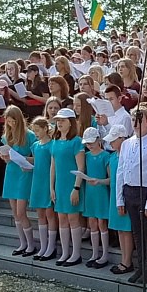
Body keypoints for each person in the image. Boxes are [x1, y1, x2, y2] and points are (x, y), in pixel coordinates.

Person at [117, 106, 147, 283]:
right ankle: (140, 267)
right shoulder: (127, 143)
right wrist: (119, 198)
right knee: (137, 232)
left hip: (145, 191)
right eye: (133, 120)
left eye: (140, 120)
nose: (136, 124)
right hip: (130, 191)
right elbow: (121, 171)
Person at [0, 105, 37, 256]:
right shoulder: (6, 136)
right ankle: (22, 243)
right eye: (8, 122)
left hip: (24, 172)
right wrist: (5, 157)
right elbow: (7, 158)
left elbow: (37, 158)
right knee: (15, 213)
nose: (10, 124)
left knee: (21, 212)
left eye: (13, 121)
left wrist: (22, 158)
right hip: (11, 173)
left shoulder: (29, 136)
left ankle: (31, 245)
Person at [49, 108, 86, 266]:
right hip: (60, 185)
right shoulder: (55, 141)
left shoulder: (76, 141)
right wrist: (51, 187)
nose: (59, 123)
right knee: (62, 219)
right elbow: (53, 166)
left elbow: (80, 167)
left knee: (73, 218)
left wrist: (76, 188)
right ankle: (65, 252)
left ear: (71, 123)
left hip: (71, 185)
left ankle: (76, 254)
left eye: (63, 120)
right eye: (58, 120)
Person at [102, 124, 134, 275]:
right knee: (120, 230)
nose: (111, 143)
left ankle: (127, 261)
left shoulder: (126, 155)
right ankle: (124, 259)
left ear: (122, 138)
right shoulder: (113, 156)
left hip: (125, 196)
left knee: (126, 230)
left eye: (114, 140)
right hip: (115, 196)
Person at [80, 127, 114, 268]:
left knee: (101, 223)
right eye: (87, 143)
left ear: (98, 140)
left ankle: (104, 254)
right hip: (90, 192)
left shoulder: (106, 156)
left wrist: (99, 181)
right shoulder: (86, 156)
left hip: (100, 192)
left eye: (91, 142)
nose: (89, 145)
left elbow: (110, 179)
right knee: (92, 222)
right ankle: (95, 253)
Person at [28, 117, 59, 261]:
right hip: (37, 181)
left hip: (47, 181)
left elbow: (53, 165)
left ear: (45, 129)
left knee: (50, 215)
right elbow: (36, 161)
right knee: (40, 215)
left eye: (38, 130)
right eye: (34, 131)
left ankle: (51, 247)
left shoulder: (52, 145)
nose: (36, 133)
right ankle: (43, 246)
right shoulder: (35, 145)